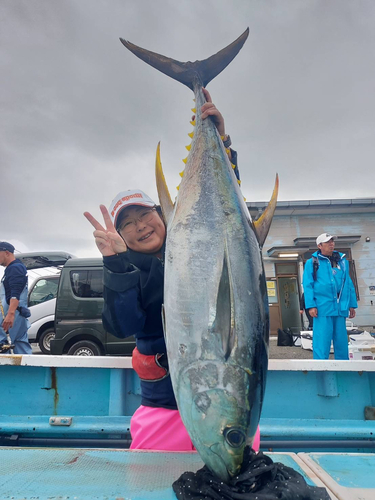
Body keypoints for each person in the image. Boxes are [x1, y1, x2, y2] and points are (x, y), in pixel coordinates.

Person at [84, 88, 260, 452]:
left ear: (164, 212)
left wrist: (221, 140)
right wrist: (115, 262)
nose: (140, 226)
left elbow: (228, 217)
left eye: (145, 215)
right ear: (120, 234)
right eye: (127, 224)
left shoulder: (197, 238)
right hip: (163, 406)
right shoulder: (128, 268)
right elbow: (122, 325)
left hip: (230, 413)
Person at [302, 233, 357, 359]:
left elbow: (348, 283)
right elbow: (308, 285)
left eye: (332, 241)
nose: (331, 244)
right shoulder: (312, 263)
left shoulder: (342, 261)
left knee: (342, 342)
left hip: (340, 308)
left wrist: (351, 304)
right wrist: (310, 305)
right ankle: (320, 371)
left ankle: (343, 370)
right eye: (328, 242)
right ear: (319, 245)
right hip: (322, 308)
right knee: (321, 342)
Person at [0, 242, 32, 354]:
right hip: (16, 313)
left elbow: (15, 293)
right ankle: (28, 369)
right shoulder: (13, 268)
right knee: (19, 345)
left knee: (4, 344)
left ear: (7, 253)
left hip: (14, 314)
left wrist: (10, 314)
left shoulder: (15, 268)